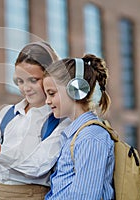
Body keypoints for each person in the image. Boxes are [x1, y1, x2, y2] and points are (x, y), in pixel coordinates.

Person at [0, 41, 71, 199]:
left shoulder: (60, 121)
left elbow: (38, 166)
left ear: (51, 77)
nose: (25, 88)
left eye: (33, 80)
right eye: (20, 81)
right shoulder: (7, 113)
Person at [43, 54, 115, 199]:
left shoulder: (91, 137)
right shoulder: (76, 134)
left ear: (76, 88)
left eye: (52, 93)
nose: (47, 101)